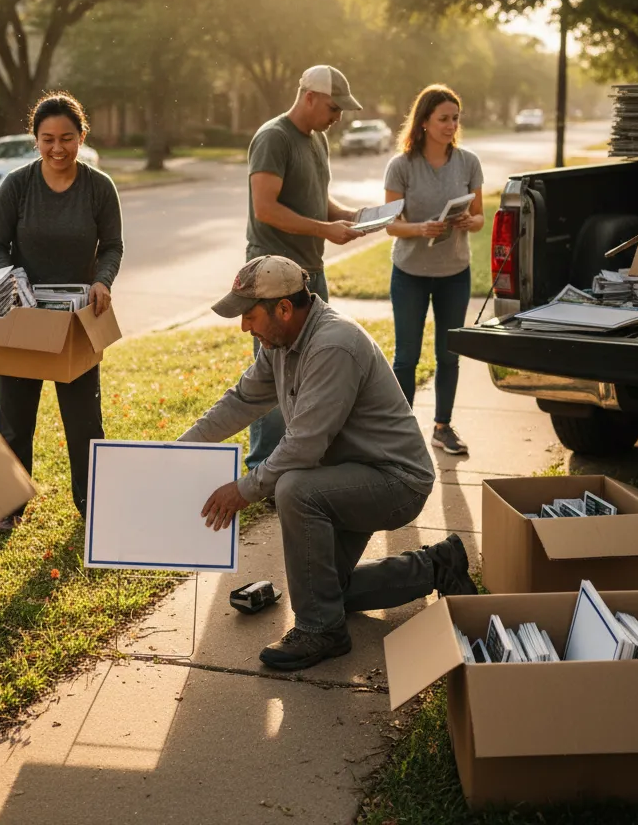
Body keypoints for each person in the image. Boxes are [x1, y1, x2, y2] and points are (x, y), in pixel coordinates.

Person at [179, 255, 477, 672]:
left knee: (294, 489)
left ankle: (322, 631)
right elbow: (241, 401)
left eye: (249, 315)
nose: (244, 326)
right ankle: (437, 565)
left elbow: (302, 446)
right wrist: (175, 452)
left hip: (396, 481)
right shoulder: (280, 344)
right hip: (351, 475)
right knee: (326, 589)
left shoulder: (332, 344)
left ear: (283, 308)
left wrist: (242, 490)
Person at [0, 93, 123, 521]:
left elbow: (112, 246)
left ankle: (91, 506)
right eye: (47, 139)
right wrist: (13, 277)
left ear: (82, 136)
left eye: (67, 138)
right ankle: (10, 506)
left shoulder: (99, 187)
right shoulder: (17, 185)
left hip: (76, 320)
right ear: (36, 139)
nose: (57, 148)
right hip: (22, 316)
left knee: (84, 422)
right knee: (14, 420)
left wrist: (103, 280)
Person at [245, 65, 367, 472]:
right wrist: (324, 229)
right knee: (273, 375)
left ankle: (297, 461)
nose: (338, 117)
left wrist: (348, 217)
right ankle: (263, 466)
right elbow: (266, 208)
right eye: (334, 108)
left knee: (316, 370)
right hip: (271, 280)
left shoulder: (318, 140)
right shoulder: (273, 138)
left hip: (311, 273)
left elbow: (315, 199)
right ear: (309, 97)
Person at [384, 85, 484, 456]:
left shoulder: (468, 162)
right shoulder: (401, 166)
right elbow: (391, 225)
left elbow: (479, 218)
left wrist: (467, 222)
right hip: (409, 271)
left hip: (454, 273)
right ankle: (401, 433)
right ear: (424, 122)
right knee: (407, 355)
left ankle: (443, 427)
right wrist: (421, 228)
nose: (451, 125)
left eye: (455, 118)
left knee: (449, 355)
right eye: (443, 118)